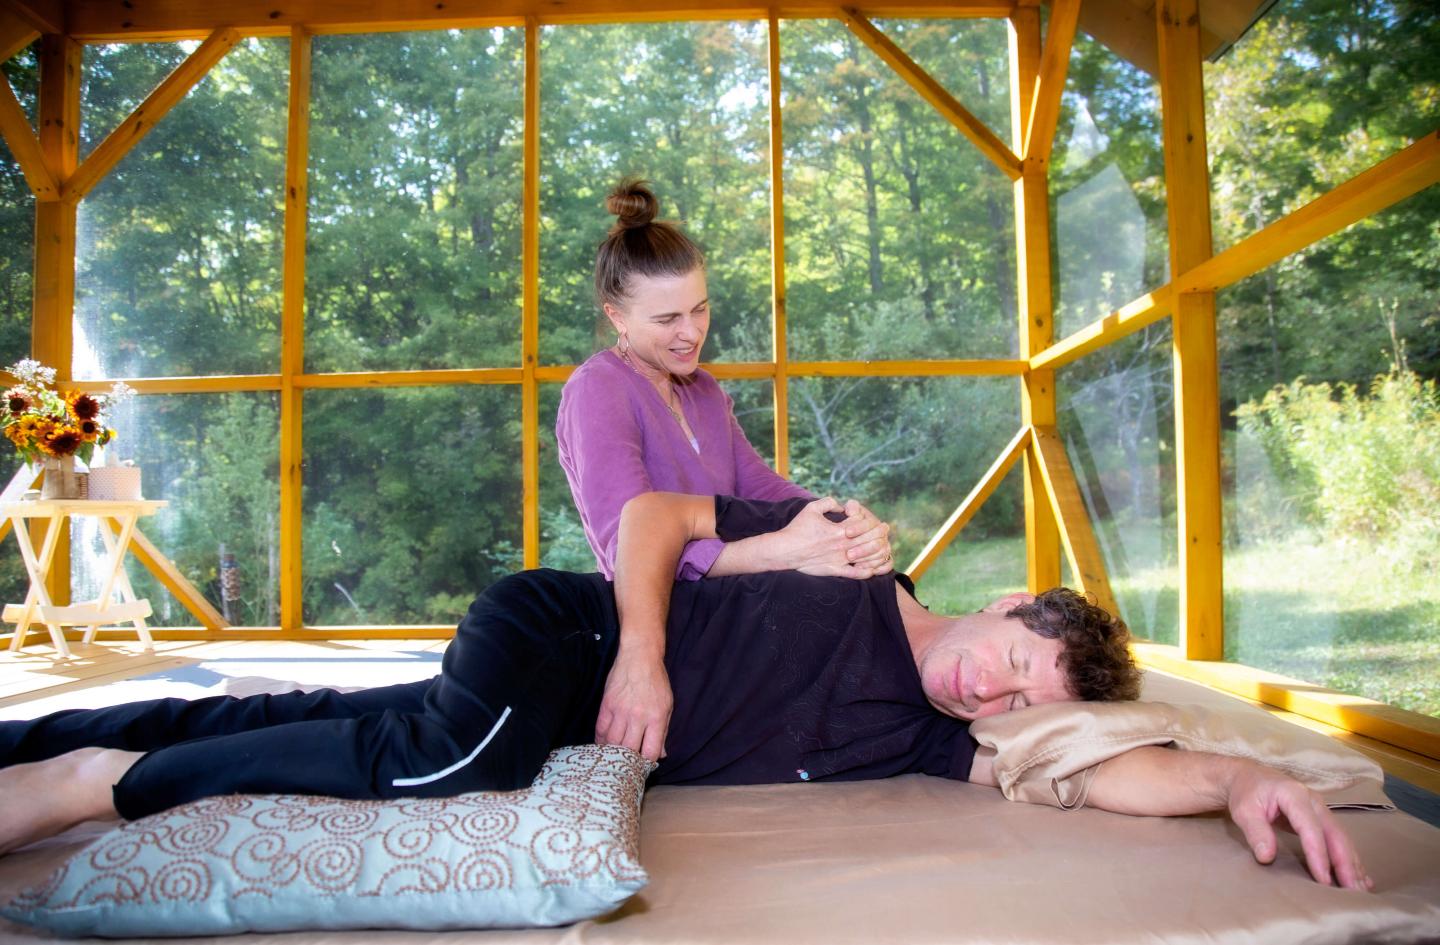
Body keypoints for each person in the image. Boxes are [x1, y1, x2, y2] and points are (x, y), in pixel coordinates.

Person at [0, 493, 1369, 891]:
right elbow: (655, 513)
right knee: (434, 761)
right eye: (1012, 661)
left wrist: (1245, 775)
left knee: (312, 725)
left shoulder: (931, 735)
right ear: (1004, 605)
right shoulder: (850, 556)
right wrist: (646, 655)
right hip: (563, 634)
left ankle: (41, 739)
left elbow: (1105, 772)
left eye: (1022, 704)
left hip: (542, 700)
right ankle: (88, 791)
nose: (993, 696)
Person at [556, 178, 892, 584]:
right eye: (667, 320)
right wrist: (776, 551)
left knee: (858, 578)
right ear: (617, 317)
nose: (692, 333)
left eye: (699, 310)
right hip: (665, 612)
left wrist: (840, 522)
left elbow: (758, 487)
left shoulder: (704, 389)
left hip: (735, 594)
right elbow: (627, 548)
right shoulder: (597, 390)